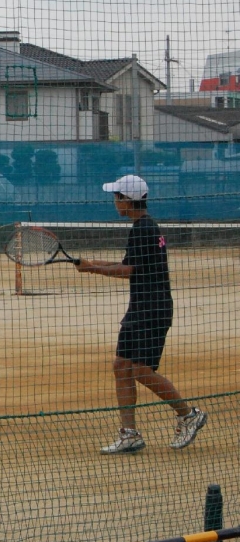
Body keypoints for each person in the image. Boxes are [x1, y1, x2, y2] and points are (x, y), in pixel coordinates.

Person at [75, 174, 207, 453]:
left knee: (141, 370)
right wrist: (91, 264)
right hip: (140, 308)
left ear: (126, 200)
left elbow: (127, 271)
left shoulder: (144, 228)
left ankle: (188, 415)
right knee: (121, 366)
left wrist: (92, 269)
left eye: (116, 197)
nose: (114, 202)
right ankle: (129, 434)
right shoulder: (143, 227)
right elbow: (129, 264)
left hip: (153, 309)